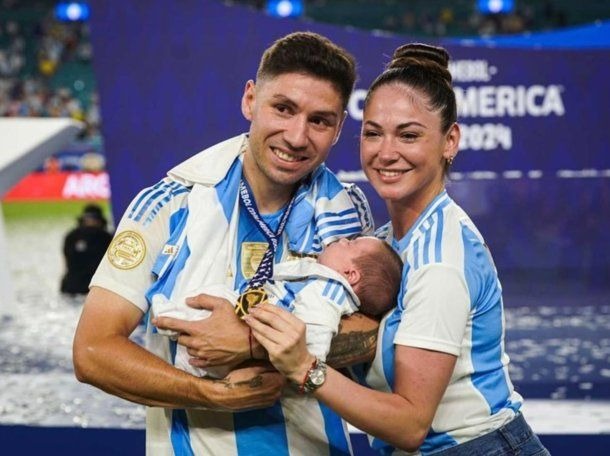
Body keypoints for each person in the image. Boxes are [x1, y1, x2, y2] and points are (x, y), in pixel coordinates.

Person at [73, 31, 380, 455]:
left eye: (320, 120)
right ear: (250, 100)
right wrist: (210, 394)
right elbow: (92, 351)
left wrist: (254, 343)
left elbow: (379, 334)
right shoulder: (167, 205)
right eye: (283, 108)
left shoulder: (347, 214)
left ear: (339, 127)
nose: (296, 136)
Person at [245, 43, 550, 455]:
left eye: (408, 135)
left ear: (450, 141)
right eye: (373, 133)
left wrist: (304, 368)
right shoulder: (384, 241)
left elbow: (409, 425)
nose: (386, 153)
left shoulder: (440, 258)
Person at [153, 236, 402, 378]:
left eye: (351, 244)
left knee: (212, 302)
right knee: (216, 297)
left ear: (350, 274)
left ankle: (168, 317)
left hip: (253, 329)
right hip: (249, 318)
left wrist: (306, 359)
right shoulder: (319, 278)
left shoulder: (329, 290)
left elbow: (317, 333)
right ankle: (176, 328)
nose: (343, 239)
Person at [60, 204, 112, 295]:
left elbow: (66, 261)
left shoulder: (71, 236)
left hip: (70, 287)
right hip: (95, 289)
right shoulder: (107, 237)